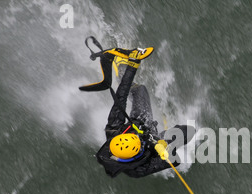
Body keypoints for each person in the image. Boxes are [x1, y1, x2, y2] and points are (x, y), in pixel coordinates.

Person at [79, 41, 194, 178]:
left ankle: (120, 71)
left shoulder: (113, 128)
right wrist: (165, 146)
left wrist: (133, 64)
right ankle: (163, 135)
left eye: (133, 137)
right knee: (190, 131)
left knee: (140, 90)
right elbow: (175, 161)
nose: (138, 138)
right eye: (138, 143)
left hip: (139, 121)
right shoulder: (138, 170)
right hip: (156, 143)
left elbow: (121, 95)